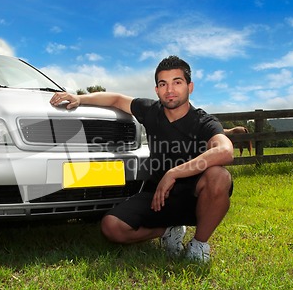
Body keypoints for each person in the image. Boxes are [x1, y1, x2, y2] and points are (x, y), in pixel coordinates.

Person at [49, 56, 234, 263]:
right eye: (163, 84)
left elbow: (226, 151)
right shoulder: (150, 110)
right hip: (159, 196)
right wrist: (81, 98)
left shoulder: (203, 121)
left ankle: (198, 244)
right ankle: (168, 231)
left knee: (219, 176)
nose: (170, 90)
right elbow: (116, 99)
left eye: (177, 82)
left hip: (195, 198)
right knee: (111, 227)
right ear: (157, 90)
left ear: (190, 87)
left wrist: (174, 173)